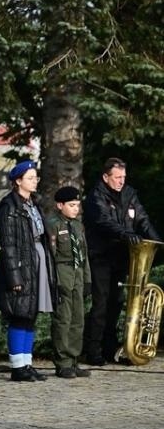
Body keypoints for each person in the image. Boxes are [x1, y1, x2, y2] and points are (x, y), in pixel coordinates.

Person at [82, 157, 160, 366]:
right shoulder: (95, 196)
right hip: (101, 257)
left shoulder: (129, 194)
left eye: (123, 177)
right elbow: (102, 221)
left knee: (116, 303)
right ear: (106, 177)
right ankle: (93, 350)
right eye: (117, 177)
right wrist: (126, 234)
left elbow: (142, 218)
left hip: (121, 257)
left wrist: (156, 242)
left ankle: (110, 347)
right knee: (101, 303)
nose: (121, 181)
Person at [0, 159, 57, 381]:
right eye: (30, 178)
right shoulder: (9, 206)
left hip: (37, 260)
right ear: (18, 181)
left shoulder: (34, 204)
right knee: (18, 314)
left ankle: (27, 363)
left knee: (30, 314)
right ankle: (17, 366)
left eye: (36, 178)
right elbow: (9, 244)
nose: (35, 182)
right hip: (21, 264)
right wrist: (15, 277)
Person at [46, 185, 91, 379]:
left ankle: (73, 360)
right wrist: (54, 280)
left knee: (78, 319)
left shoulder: (78, 226)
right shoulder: (53, 224)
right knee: (63, 320)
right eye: (72, 205)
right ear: (60, 205)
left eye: (77, 205)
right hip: (62, 274)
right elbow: (51, 256)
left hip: (78, 274)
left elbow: (84, 255)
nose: (76, 209)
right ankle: (62, 362)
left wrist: (88, 279)